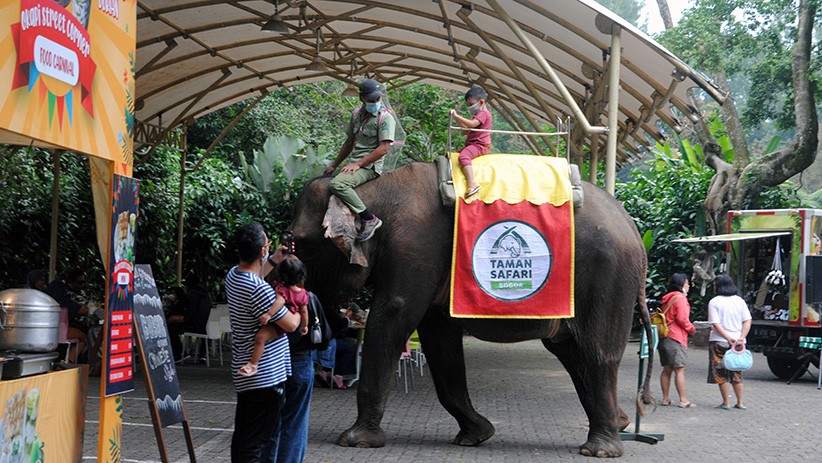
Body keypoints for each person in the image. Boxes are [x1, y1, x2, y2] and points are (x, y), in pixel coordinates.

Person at [226, 222, 300, 462]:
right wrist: (302, 309)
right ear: (261, 250)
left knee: (245, 438)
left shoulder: (234, 276)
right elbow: (290, 324)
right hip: (265, 377)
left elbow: (256, 276)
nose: (269, 247)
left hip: (247, 373)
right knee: (256, 444)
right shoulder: (259, 290)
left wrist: (275, 260)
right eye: (267, 244)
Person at [324, 79, 396, 241]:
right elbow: (349, 142)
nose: (376, 102)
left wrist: (358, 164)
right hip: (355, 163)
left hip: (370, 167)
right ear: (362, 98)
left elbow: (384, 148)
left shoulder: (385, 118)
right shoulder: (356, 114)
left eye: (378, 99)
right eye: (371, 100)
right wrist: (334, 165)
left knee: (338, 184)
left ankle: (369, 218)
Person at [239, 256, 309, 377]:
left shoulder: (282, 289)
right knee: (261, 338)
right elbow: (304, 311)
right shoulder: (303, 293)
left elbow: (280, 301)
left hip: (278, 326)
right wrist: (304, 325)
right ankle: (254, 364)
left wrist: (268, 314)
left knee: (260, 338)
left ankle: (253, 364)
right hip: (285, 324)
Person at [707, 274, 752, 410]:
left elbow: (715, 324)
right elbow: (747, 320)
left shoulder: (714, 302)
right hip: (738, 343)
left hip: (719, 341)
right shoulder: (739, 301)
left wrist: (727, 338)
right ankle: (740, 402)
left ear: (717, 287)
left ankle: (726, 402)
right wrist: (741, 337)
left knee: (721, 373)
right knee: (736, 372)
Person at [658, 273, 697, 408]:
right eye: (686, 283)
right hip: (676, 337)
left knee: (667, 369)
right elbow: (682, 319)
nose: (688, 286)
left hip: (664, 336)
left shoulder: (667, 298)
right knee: (680, 369)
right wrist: (692, 329)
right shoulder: (680, 299)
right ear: (681, 284)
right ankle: (683, 400)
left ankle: (665, 398)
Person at [449, 86, 492, 198]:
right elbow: (465, 131)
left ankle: (472, 185)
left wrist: (457, 116)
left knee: (463, 157)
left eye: (471, 104)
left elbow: (472, 124)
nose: (470, 107)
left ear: (481, 102)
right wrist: (456, 119)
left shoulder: (484, 114)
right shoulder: (477, 116)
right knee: (457, 154)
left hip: (479, 145)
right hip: (472, 144)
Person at [46, 269, 89, 362]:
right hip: (59, 330)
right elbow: (82, 310)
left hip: (49, 329)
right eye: (79, 282)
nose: (82, 285)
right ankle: (69, 361)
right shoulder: (62, 297)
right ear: (71, 281)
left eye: (84, 283)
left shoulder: (54, 293)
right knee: (85, 338)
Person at [167, 275, 212, 362]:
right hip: (206, 326)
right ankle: (203, 354)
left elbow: (191, 312)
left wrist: (182, 318)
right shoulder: (206, 294)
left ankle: (179, 354)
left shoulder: (193, 294)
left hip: (195, 324)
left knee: (171, 328)